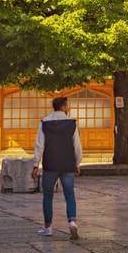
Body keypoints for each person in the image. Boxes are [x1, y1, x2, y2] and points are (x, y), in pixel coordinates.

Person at [32, 96, 83, 238]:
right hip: (67, 163)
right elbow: (76, 145)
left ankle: (48, 226)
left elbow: (39, 145)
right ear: (64, 107)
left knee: (48, 196)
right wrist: (77, 162)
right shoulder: (72, 124)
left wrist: (36, 164)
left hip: (50, 163)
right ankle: (72, 221)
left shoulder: (45, 122)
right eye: (67, 106)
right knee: (69, 194)